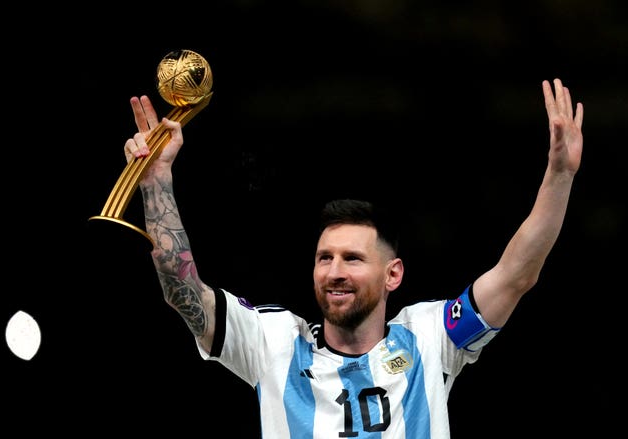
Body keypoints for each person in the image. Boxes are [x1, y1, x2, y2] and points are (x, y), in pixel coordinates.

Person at [123, 78, 583, 438]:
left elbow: (516, 274)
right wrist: (156, 180)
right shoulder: (273, 342)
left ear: (393, 274)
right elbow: (180, 288)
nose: (335, 272)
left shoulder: (429, 338)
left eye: (352, 259)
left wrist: (560, 174)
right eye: (325, 258)